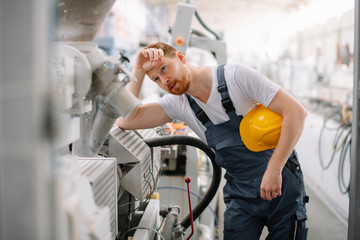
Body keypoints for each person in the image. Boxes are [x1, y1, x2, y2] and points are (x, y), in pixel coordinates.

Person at [116, 42, 308, 240]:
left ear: (181, 58)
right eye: (156, 78)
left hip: (281, 181)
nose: (164, 80)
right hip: (241, 191)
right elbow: (127, 119)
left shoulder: (236, 76)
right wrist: (137, 69)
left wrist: (274, 169)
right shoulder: (178, 104)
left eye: (164, 69)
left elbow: (296, 112)